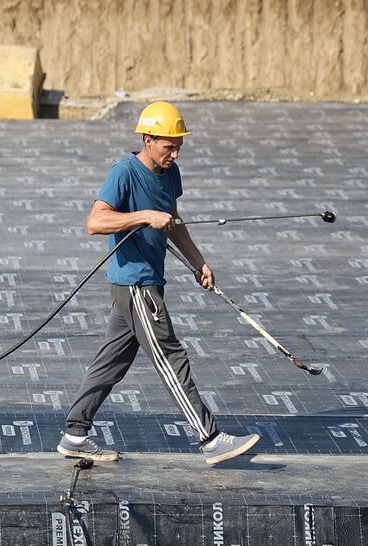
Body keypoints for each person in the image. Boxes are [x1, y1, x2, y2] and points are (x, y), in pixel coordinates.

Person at [57, 101, 260, 466]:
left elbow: (174, 221)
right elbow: (95, 222)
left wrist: (199, 262)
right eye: (169, 145)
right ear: (148, 140)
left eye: (179, 144)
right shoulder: (124, 172)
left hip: (149, 281)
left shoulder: (171, 173)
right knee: (170, 356)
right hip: (136, 284)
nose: (175, 152)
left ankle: (75, 434)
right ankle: (211, 439)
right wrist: (143, 216)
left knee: (111, 363)